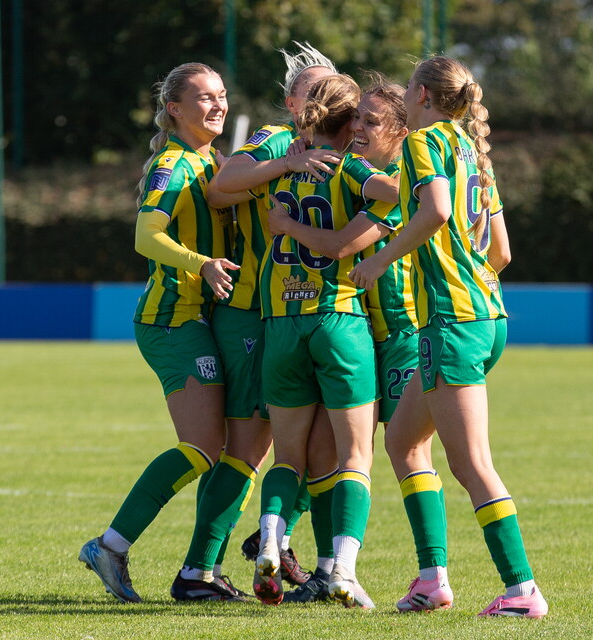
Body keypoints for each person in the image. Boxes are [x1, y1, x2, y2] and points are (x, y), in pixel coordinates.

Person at [349, 55, 548, 618]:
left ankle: (522, 590)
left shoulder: (422, 143)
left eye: (409, 90)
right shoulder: (472, 151)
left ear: (424, 97)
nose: (404, 99)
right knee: (404, 444)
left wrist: (380, 259)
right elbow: (502, 252)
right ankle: (431, 580)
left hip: (453, 323)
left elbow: (434, 211)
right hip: (487, 316)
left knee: (471, 465)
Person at [78, 62, 256, 603]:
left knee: (228, 450)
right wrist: (200, 262)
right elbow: (145, 234)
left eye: (222, 95)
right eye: (203, 98)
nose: (218, 105)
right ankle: (110, 545)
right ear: (175, 109)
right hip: (172, 320)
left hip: (206, 321)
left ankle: (202, 570)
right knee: (203, 447)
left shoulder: (214, 162)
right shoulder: (173, 165)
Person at [262, 76, 414, 603]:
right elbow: (398, 196)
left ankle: (272, 541)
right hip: (340, 317)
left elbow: (224, 185)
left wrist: (283, 217)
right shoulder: (352, 168)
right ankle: (344, 568)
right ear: (348, 123)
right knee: (357, 457)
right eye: (362, 120)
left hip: (280, 322)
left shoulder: (282, 172)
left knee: (290, 458)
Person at [208, 41, 342, 593]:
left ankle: (280, 537)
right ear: (290, 103)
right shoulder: (276, 138)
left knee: (328, 441)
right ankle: (203, 566)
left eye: (328, 91)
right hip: (272, 315)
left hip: (333, 314)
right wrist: (285, 163)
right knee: (262, 447)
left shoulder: (349, 143)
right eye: (310, 93)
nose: (320, 102)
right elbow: (221, 187)